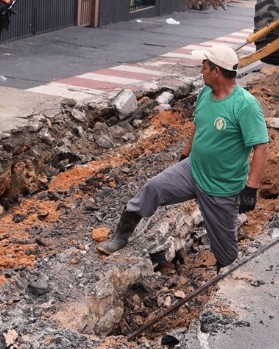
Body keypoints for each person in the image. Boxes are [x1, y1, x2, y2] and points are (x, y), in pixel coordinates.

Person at [97, 44, 269, 268]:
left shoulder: (245, 105)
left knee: (227, 254)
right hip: (193, 169)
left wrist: (251, 188)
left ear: (216, 71)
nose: (201, 72)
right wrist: (184, 154)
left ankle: (222, 279)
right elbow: (200, 126)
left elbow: (261, 147)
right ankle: (120, 236)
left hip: (222, 188)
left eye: (204, 67)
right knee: (153, 188)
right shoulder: (206, 93)